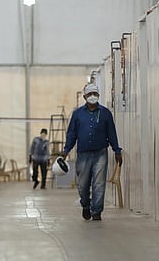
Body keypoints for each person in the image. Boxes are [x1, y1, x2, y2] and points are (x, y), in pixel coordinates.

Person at [58, 83, 122, 221]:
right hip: (83, 154)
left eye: (95, 94)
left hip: (101, 153)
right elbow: (71, 135)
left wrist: (117, 150)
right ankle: (86, 205)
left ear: (98, 95)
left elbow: (111, 133)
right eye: (90, 94)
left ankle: (97, 211)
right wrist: (66, 150)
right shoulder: (77, 114)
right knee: (83, 184)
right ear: (84, 96)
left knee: (99, 184)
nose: (92, 97)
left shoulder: (105, 113)